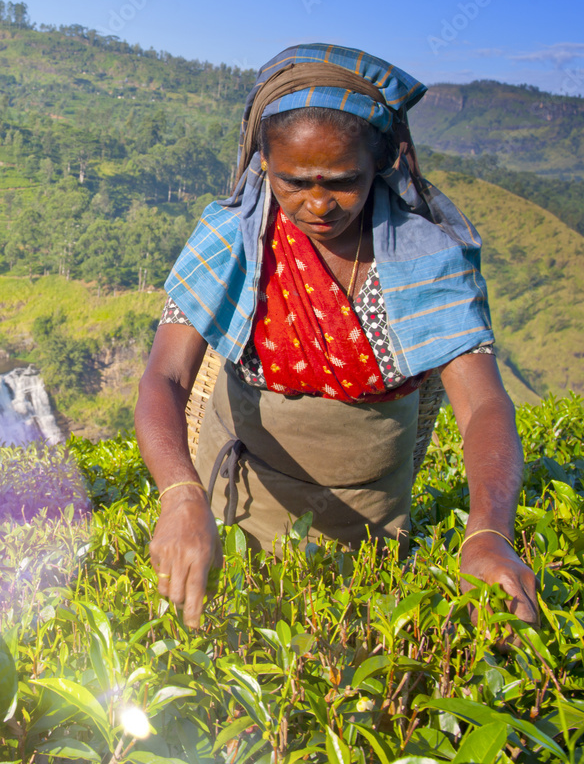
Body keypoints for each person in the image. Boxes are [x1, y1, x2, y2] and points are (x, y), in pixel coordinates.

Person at [135, 44, 540, 629]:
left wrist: (488, 532)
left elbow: (482, 404)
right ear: (261, 165)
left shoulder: (426, 258)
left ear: (380, 164)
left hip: (372, 510)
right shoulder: (234, 239)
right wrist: (180, 494)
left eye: (343, 182)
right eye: (293, 181)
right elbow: (165, 377)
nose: (318, 204)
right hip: (237, 499)